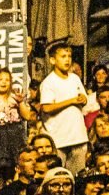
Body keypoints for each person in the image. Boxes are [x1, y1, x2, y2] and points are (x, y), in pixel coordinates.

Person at [34, 43, 95, 177]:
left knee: (78, 177)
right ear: (52, 60)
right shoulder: (49, 82)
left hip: (78, 136)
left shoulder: (75, 78)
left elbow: (84, 99)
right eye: (63, 56)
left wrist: (83, 99)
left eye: (69, 56)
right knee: (58, 176)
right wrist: (71, 101)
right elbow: (46, 107)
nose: (67, 60)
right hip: (58, 139)